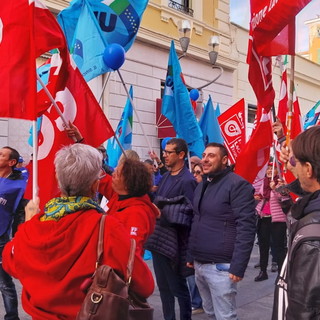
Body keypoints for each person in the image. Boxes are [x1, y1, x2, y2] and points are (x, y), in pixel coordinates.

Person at [2, 144, 154, 319]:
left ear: (57, 177)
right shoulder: (108, 228)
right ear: (95, 185)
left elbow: (10, 262)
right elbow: (145, 284)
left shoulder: (31, 227)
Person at [187, 142, 256, 320]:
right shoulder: (203, 184)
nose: (205, 160)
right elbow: (197, 220)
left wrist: (238, 265)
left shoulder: (238, 185)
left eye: (211, 156)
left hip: (221, 267)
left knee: (225, 317)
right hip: (200, 263)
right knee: (210, 314)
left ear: (224, 160)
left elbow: (246, 227)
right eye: (204, 155)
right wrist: (190, 255)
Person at [145, 138, 197, 320]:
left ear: (181, 155)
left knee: (178, 287)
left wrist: (166, 212)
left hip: (177, 243)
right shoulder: (166, 176)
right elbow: (157, 201)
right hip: (160, 240)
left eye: (168, 152)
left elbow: (191, 212)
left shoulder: (188, 180)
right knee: (164, 288)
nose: (164, 156)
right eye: (164, 152)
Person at [272, 126, 320, 319]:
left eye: (294, 162)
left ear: (308, 169)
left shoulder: (313, 240)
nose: (290, 166)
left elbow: (305, 311)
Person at [98, 158, 159, 256]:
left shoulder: (137, 214)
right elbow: (102, 180)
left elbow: (131, 253)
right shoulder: (119, 194)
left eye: (117, 174)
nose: (113, 174)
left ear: (128, 183)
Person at [0, 146, 28, 320]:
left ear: (11, 162)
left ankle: (12, 317)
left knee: (4, 283)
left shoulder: (19, 185)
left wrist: (18, 238)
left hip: (2, 236)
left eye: (1, 154)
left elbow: (20, 213)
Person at [254, 163, 289, 281]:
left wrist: (275, 189)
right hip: (264, 218)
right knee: (263, 245)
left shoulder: (280, 182)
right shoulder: (263, 183)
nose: (269, 170)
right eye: (268, 169)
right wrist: (257, 197)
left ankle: (281, 274)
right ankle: (263, 271)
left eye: (271, 168)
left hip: (278, 220)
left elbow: (285, 199)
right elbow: (259, 196)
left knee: (278, 247)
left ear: (276, 170)